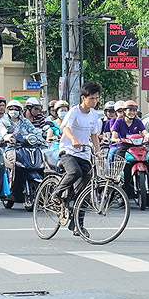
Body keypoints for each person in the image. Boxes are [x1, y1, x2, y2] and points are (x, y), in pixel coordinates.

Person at [54, 82, 104, 235]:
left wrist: (98, 152)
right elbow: (65, 127)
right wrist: (74, 139)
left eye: (97, 99)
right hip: (68, 152)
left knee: (84, 191)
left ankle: (77, 225)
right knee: (74, 172)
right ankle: (56, 193)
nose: (95, 102)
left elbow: (94, 134)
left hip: (84, 154)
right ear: (83, 98)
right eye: (92, 99)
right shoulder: (74, 112)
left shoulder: (94, 114)